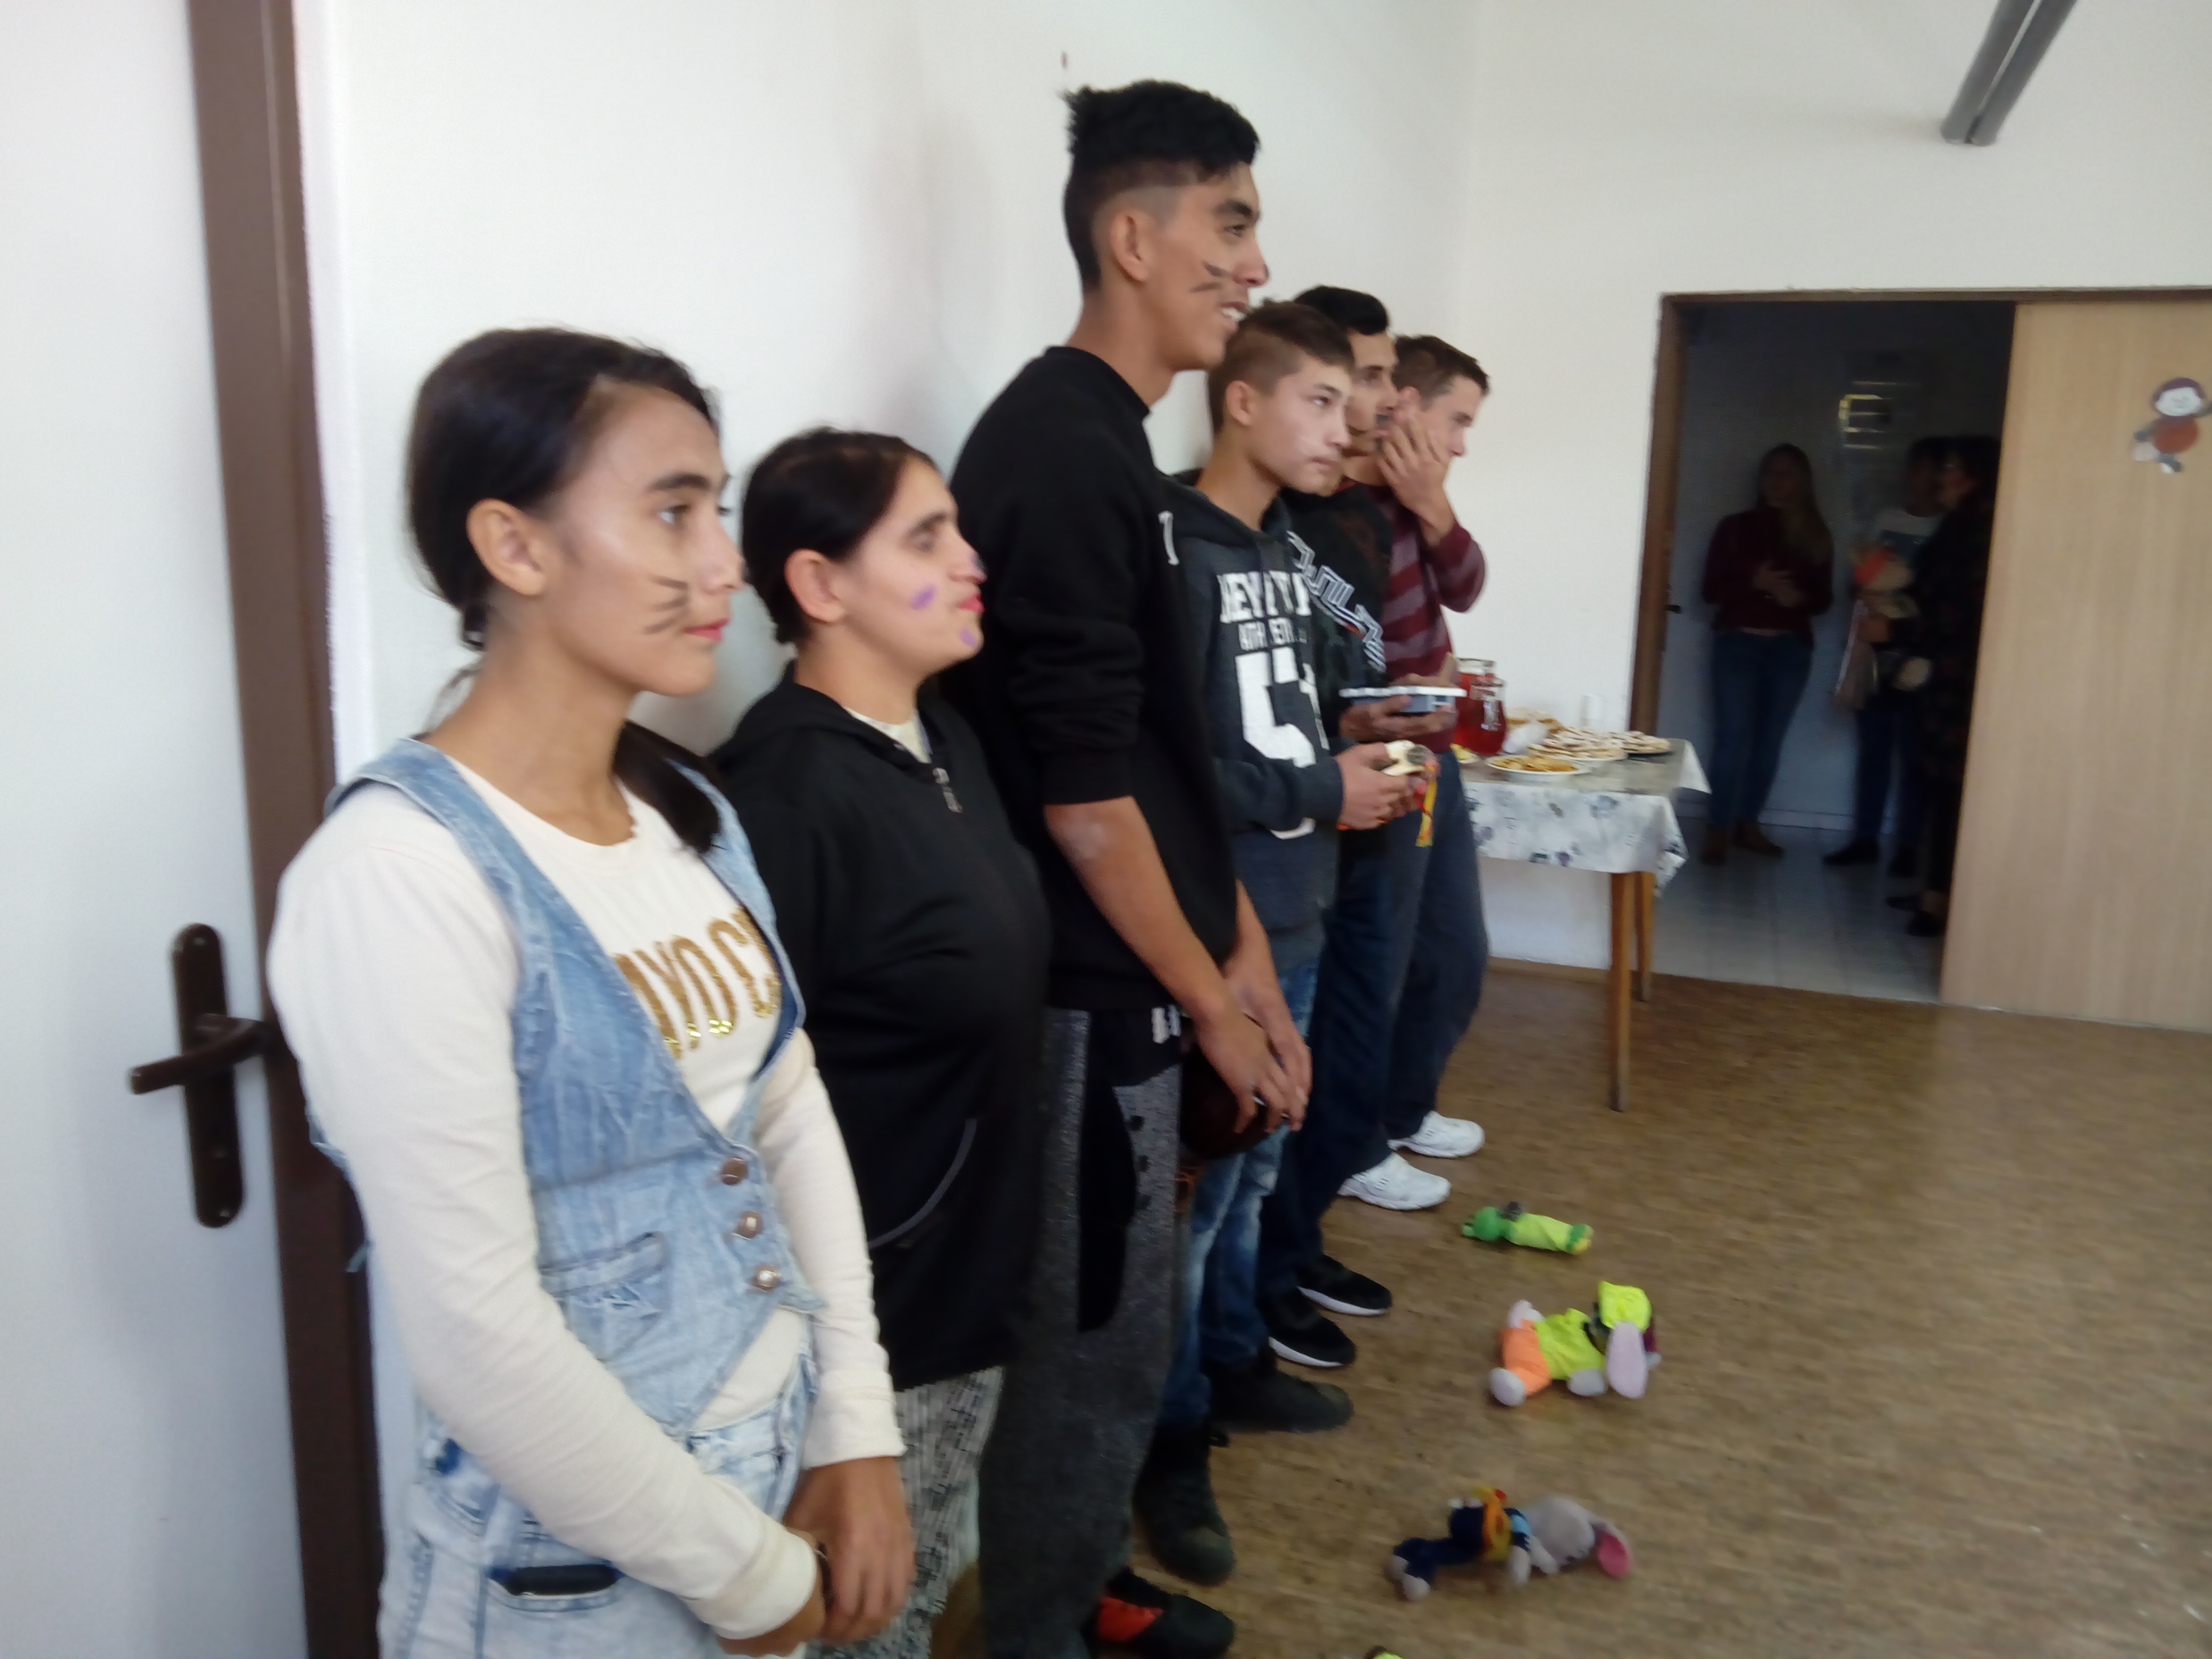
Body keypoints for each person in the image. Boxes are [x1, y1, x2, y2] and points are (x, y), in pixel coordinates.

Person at [267, 329, 910, 1658]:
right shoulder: (398, 877)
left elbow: (785, 1111)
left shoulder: (679, 809)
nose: (723, 563)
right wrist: (751, 1579)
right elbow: (478, 1337)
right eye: (673, 511)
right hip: (571, 1578)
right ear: (514, 545)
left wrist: (853, 1424)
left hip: (770, 1463)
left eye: (715, 509)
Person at [939, 81, 1299, 1659]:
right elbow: (1085, 803)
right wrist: (1213, 1006)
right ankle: (1039, 1628)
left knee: (1124, 1323)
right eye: (1232, 224)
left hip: (1147, 964)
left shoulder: (1115, 450)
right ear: (1132, 238)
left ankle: (1074, 1580)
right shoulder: (1059, 452)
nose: (1255, 265)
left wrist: (1249, 958)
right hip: (1092, 989)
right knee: (1089, 1340)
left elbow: (1155, 758)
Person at [710, 430, 1049, 1659]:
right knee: (864, 1622)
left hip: (965, 1281)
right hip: (876, 1317)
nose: (971, 561)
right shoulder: (784, 796)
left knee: (924, 1577)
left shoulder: (941, 741)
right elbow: (742, 1114)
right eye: (926, 538)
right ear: (820, 584)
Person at [1133, 303, 1422, 1588]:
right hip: (1222, 922)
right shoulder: (1172, 549)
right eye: (1319, 402)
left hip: (1296, 903)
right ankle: (1169, 1433)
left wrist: (1355, 741)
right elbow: (1161, 771)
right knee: (1196, 1206)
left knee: (1258, 1175)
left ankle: (1233, 1355)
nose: (1344, 428)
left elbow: (1279, 716)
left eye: (1346, 406)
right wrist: (1316, 790)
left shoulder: (1282, 547)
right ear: (1240, 402)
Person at [1251, 290, 1468, 1373]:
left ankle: (1295, 1245)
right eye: (1355, 384)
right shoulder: (1243, 523)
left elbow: (1367, 652)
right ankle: (1260, 1282)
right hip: (1288, 822)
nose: (1379, 406)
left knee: (1357, 1034)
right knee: (1300, 1052)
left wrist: (1381, 720)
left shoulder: (1367, 516)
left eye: (1379, 383)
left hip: (1376, 784)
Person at [1699, 442, 1836, 865]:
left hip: (1789, 650)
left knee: (1768, 743)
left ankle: (1749, 823)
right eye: (1770, 472)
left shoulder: (1815, 535)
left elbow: (1824, 600)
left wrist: (1797, 599)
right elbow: (1710, 591)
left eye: (1786, 473)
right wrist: (1754, 583)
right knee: (1731, 739)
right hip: (1738, 645)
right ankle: (1718, 828)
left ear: (1802, 482)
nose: (1776, 481)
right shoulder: (1735, 528)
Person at [1893, 434, 2002, 937]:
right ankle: (1936, 890)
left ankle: (1942, 899)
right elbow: (1926, 594)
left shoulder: (1984, 533)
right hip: (1941, 682)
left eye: (1955, 468)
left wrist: (1897, 630)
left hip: (1963, 684)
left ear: (1978, 476)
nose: (1944, 476)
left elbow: (1960, 615)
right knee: (1939, 788)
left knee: (1956, 791)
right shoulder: (1954, 528)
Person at [1825, 437, 1946, 873]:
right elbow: (1859, 577)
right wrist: (1861, 592)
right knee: (1873, 750)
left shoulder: (1947, 529)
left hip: (1920, 657)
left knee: (1914, 756)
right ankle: (1865, 840)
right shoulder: (1887, 521)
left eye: (1923, 469)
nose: (1913, 477)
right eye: (1911, 468)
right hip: (1875, 653)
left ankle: (1910, 846)